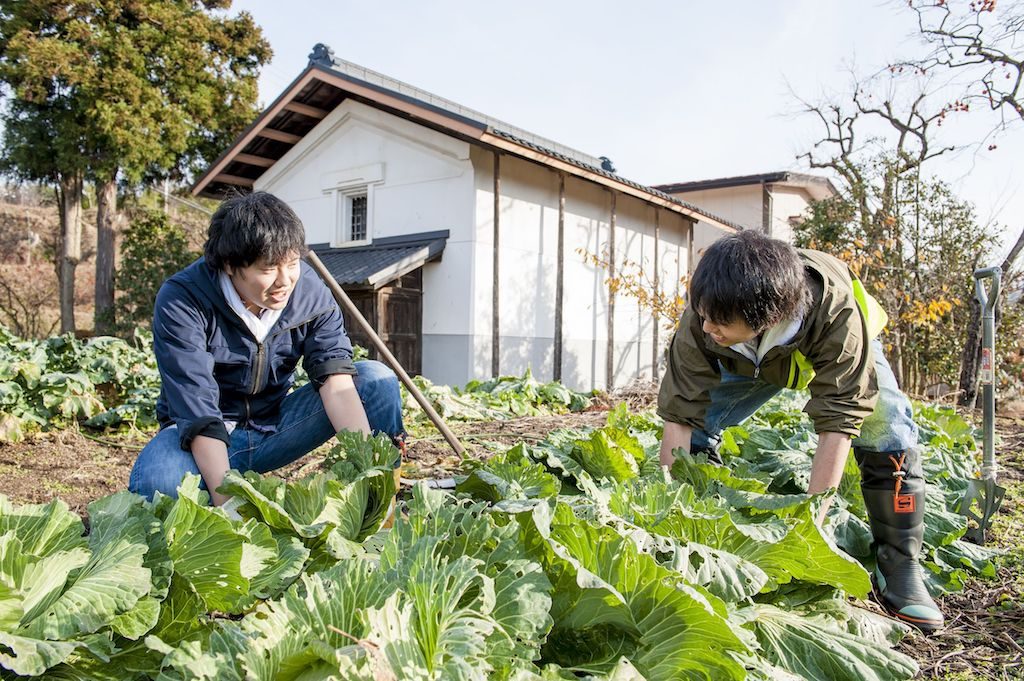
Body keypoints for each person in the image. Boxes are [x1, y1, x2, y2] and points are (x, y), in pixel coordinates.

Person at [657, 229, 943, 633]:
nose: (705, 327)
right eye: (702, 315)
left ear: (765, 318)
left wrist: (812, 529)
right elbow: (680, 411)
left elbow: (839, 420)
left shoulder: (836, 311)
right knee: (699, 422)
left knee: (885, 422)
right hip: (751, 357)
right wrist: (666, 515)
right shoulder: (708, 313)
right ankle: (702, 524)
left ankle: (900, 562)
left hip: (829, 343)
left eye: (717, 322)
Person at [129, 191, 405, 506]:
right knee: (158, 483)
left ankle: (381, 503)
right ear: (230, 265)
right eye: (268, 268)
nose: (284, 280)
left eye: (292, 263)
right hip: (201, 438)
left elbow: (336, 382)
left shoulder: (309, 294)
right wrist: (231, 508)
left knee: (375, 381)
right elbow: (199, 413)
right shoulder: (184, 299)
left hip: (275, 428)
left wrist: (368, 470)